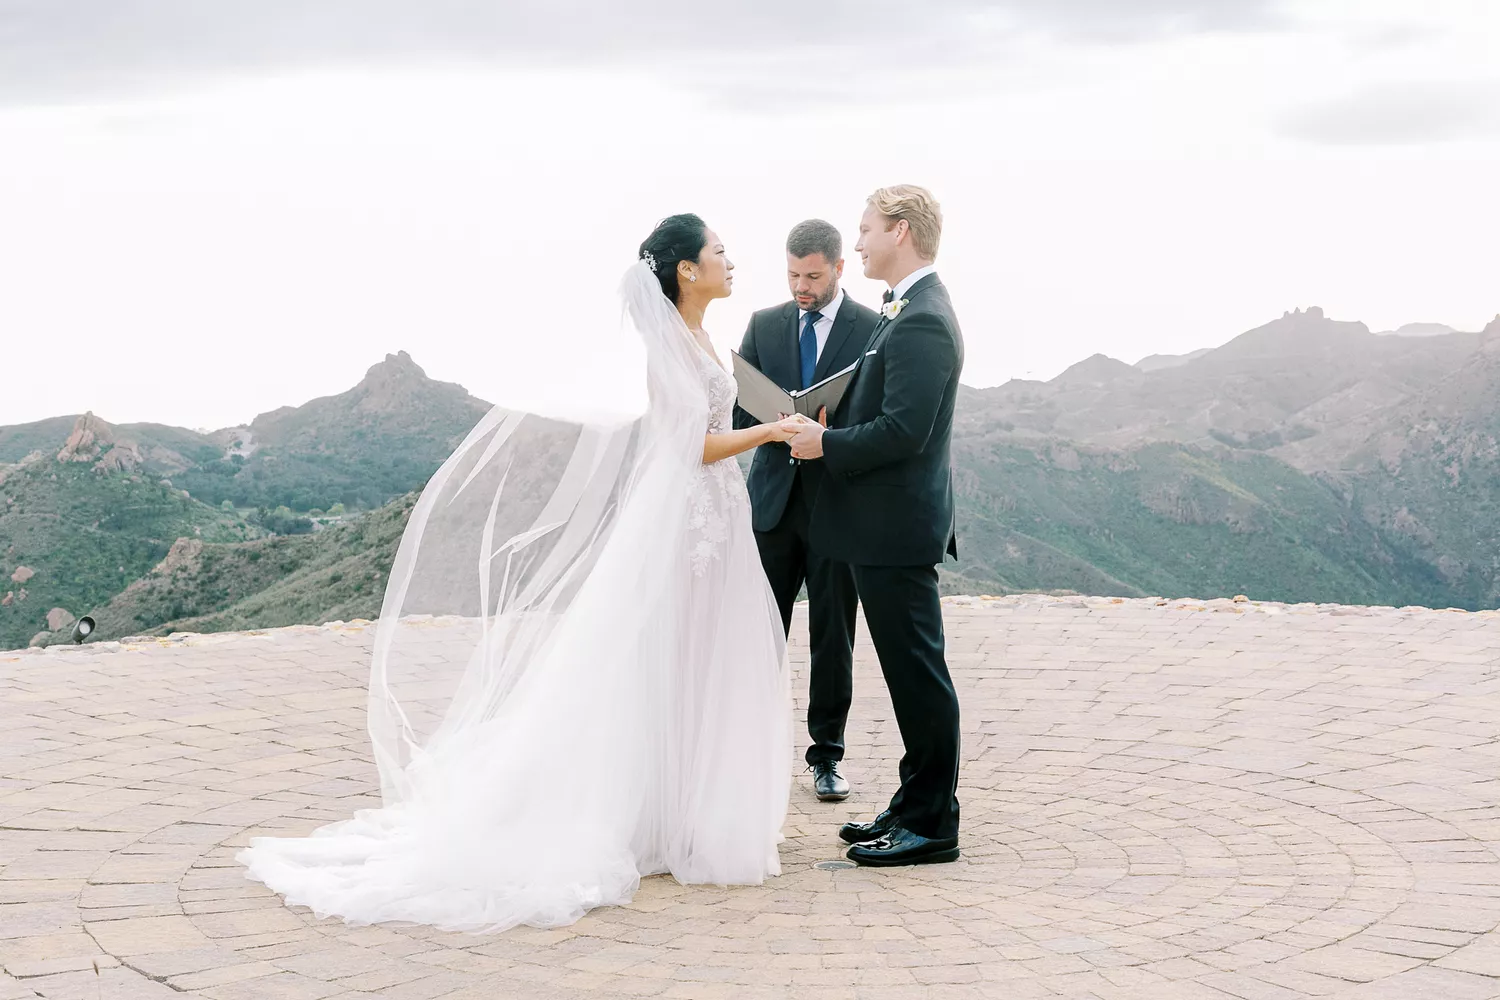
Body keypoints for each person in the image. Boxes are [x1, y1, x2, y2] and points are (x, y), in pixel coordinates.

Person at [239, 215, 802, 931]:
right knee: (666, 658)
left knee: (700, 659)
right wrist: (773, 431)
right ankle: (653, 817)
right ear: (687, 271)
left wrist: (776, 418)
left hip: (714, 520)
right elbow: (690, 445)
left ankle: (687, 810)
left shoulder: (701, 336)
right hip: (685, 520)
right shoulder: (666, 352)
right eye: (719, 251)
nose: (730, 260)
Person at [786, 185, 965, 867]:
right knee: (907, 674)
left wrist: (824, 446)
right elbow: (887, 410)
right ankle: (914, 801)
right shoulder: (907, 309)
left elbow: (906, 431)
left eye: (863, 230)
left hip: (895, 530)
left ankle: (932, 824)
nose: (856, 242)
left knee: (919, 676)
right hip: (880, 526)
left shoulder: (922, 317)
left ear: (898, 231)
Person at [734, 219, 879, 802]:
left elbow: (877, 415)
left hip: (837, 504)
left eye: (813, 276)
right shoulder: (763, 325)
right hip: (772, 504)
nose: (801, 287)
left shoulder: (871, 328)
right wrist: (774, 421)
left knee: (832, 637)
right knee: (759, 632)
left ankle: (827, 758)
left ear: (839, 269)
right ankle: (748, 750)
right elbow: (738, 415)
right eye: (793, 275)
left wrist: (830, 432)